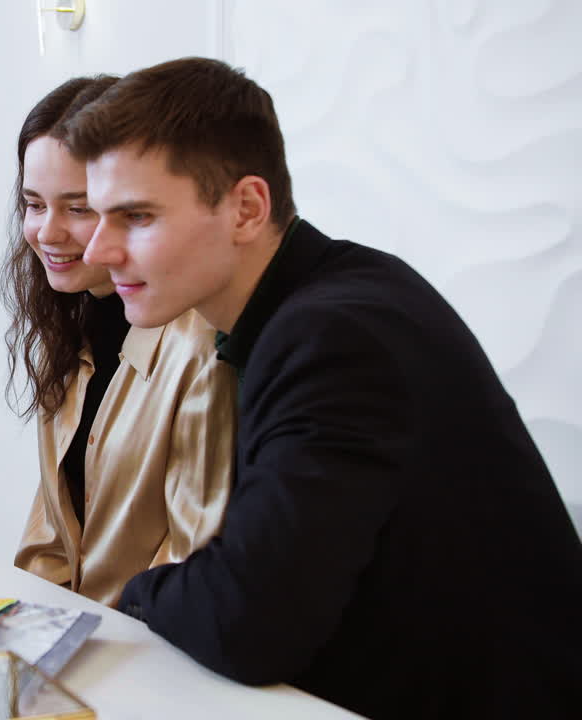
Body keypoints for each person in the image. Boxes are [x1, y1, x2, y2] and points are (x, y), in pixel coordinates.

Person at [66, 57, 582, 718]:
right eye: (99, 216)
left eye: (135, 217)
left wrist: (141, 592)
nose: (98, 251)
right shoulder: (336, 297)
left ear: (246, 208)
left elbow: (251, 622)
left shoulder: (331, 337)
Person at [2, 76, 236, 608]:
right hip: (73, 641)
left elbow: (193, 553)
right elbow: (53, 536)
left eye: (77, 208)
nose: (48, 232)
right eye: (34, 204)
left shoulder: (202, 344)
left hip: (151, 653)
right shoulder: (65, 323)